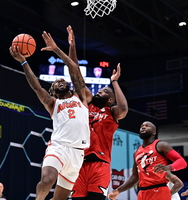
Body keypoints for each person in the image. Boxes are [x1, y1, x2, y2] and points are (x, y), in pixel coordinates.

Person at [9, 31, 90, 200]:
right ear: (53, 91)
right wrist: (23, 62)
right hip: (59, 147)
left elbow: (74, 69)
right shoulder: (53, 103)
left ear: (69, 86)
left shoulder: (81, 97)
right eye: (55, 83)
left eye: (62, 81)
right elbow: (37, 87)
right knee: (47, 181)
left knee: (59, 198)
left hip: (77, 153)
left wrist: (56, 49)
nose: (59, 82)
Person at [64, 25, 128, 200]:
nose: (101, 91)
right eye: (101, 89)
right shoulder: (87, 103)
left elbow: (123, 109)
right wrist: (72, 47)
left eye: (106, 92)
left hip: (100, 164)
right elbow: (75, 74)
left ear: (110, 100)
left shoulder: (111, 112)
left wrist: (114, 82)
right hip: (79, 163)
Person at [108, 121, 187, 200]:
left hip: (159, 189)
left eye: (147, 126)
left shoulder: (161, 145)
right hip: (142, 192)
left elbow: (182, 161)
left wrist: (168, 167)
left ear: (154, 132)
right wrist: (118, 190)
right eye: (142, 126)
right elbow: (135, 176)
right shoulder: (136, 152)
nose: (143, 127)